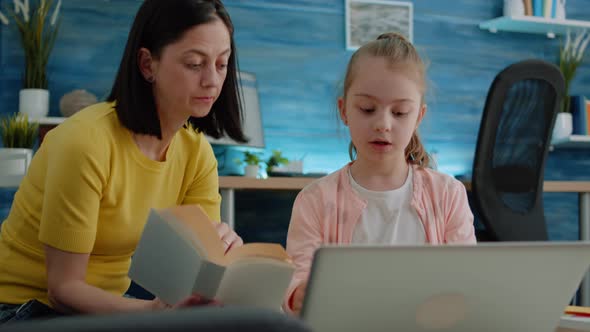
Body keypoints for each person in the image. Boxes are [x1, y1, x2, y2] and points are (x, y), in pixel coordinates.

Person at [0, 0, 246, 322]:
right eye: (195, 64)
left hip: (106, 308)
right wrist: (152, 312)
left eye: (222, 64)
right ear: (147, 64)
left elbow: (191, 273)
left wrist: (223, 255)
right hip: (23, 308)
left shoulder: (197, 154)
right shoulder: (85, 142)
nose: (212, 81)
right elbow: (63, 290)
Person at [283, 32, 477, 315]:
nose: (383, 124)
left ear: (418, 117)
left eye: (399, 113)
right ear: (344, 110)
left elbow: (469, 281)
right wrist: (299, 294)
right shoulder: (314, 200)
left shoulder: (448, 194)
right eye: (367, 109)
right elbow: (297, 281)